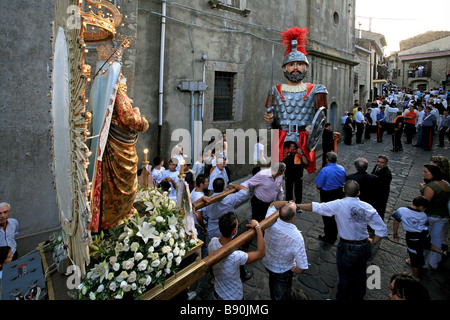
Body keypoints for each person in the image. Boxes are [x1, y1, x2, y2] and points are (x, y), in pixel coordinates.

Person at [298, 180, 387, 300]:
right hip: (363, 245)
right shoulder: (367, 207)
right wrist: (373, 241)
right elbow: (381, 229)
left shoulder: (339, 205)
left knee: (345, 277)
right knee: (360, 275)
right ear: (359, 193)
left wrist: (298, 206)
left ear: (343, 190)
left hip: (347, 246)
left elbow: (318, 207)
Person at [88, 71, 149, 231]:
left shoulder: (105, 91)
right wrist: (142, 120)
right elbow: (127, 118)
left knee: (116, 184)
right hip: (118, 148)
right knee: (124, 183)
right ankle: (117, 217)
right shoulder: (118, 91)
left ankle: (119, 214)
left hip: (115, 144)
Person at [264, 26, 328, 174]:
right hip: (281, 137)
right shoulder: (274, 90)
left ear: (306, 67)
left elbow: (321, 119)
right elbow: (273, 121)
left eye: (299, 64)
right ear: (284, 68)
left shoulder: (316, 90)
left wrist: (312, 128)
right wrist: (270, 119)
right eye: (291, 65)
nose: (295, 68)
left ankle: (296, 197)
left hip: (303, 138)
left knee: (298, 174)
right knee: (280, 172)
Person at [208, 212, 265, 300]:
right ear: (234, 231)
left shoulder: (212, 242)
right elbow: (261, 253)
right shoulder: (236, 256)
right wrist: (258, 228)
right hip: (233, 295)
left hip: (217, 292)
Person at [392, 196, 447, 279]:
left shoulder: (401, 211)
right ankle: (442, 251)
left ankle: (415, 278)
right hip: (425, 235)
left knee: (415, 259)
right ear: (421, 207)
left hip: (413, 238)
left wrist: (395, 234)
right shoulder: (423, 215)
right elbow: (425, 226)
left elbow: (396, 222)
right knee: (427, 245)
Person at [263, 201, 308, 300]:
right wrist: (294, 268)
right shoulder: (296, 237)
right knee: (281, 295)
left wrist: (288, 203)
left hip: (268, 262)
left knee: (273, 284)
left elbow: (273, 204)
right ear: (293, 218)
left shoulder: (269, 220)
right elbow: (302, 267)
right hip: (282, 270)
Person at [420, 164, 450, 269]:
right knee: (437, 237)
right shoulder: (445, 184)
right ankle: (434, 261)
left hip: (432, 215)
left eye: (426, 172)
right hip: (443, 215)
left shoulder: (431, 187)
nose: (423, 174)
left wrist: (422, 189)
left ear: (433, 174)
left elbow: (425, 202)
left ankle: (423, 261)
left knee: (426, 238)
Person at [314, 152, 346, 244]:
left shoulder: (325, 170)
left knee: (327, 215)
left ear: (327, 159)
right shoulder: (341, 168)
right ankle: (334, 234)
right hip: (339, 193)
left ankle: (329, 237)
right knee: (335, 214)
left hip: (327, 194)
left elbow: (319, 185)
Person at [190, 174, 210, 258]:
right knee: (202, 247)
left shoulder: (195, 190)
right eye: (206, 182)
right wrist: (203, 227)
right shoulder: (200, 196)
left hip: (193, 222)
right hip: (198, 225)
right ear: (201, 184)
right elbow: (198, 216)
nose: (208, 183)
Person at [371, 155, 392, 220]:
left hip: (381, 194)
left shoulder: (387, 174)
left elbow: (383, 186)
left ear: (386, 164)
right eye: (378, 161)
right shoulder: (376, 167)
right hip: (375, 192)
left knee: (380, 210)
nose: (379, 164)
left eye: (382, 162)